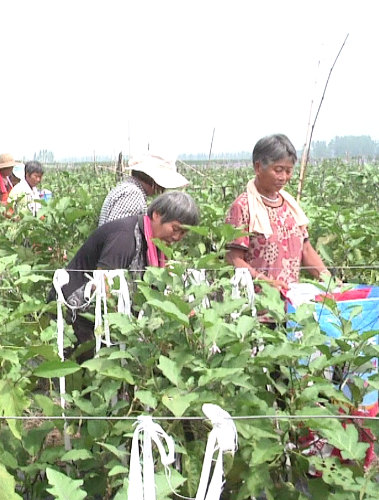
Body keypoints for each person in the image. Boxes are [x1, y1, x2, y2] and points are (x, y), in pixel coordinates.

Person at [59, 192, 200, 363]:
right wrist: (129, 328)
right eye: (175, 229)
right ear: (156, 215)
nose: (177, 237)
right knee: (90, 370)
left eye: (183, 233)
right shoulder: (125, 237)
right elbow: (102, 286)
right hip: (76, 311)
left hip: (101, 315)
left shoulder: (155, 243)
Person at [224, 134, 331, 291]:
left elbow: (306, 249)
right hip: (259, 305)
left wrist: (329, 279)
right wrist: (267, 283)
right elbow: (233, 258)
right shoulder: (243, 207)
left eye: (288, 171)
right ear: (258, 167)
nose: (283, 177)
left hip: (293, 302)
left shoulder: (290, 205)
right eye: (278, 170)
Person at [98, 154, 189, 226]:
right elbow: (117, 235)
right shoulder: (132, 194)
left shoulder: (128, 189)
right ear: (153, 181)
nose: (163, 190)